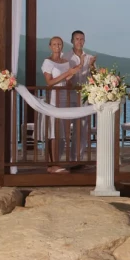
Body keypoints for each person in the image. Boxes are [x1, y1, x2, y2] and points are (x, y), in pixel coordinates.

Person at [40, 36, 82, 174]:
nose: (57, 46)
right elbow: (49, 82)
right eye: (54, 44)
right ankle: (53, 164)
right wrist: (66, 74)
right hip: (54, 98)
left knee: (63, 132)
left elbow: (68, 82)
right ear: (50, 46)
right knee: (55, 131)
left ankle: (58, 162)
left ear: (62, 46)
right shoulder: (48, 62)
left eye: (59, 44)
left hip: (65, 97)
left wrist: (69, 78)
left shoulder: (66, 62)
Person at [66, 30, 96, 161]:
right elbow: (65, 77)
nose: (79, 41)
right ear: (72, 40)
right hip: (69, 96)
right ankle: (63, 158)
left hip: (84, 97)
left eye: (82, 39)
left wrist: (92, 67)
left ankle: (77, 158)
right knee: (65, 128)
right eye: (77, 39)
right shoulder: (66, 57)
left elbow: (94, 78)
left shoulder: (89, 58)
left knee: (82, 129)